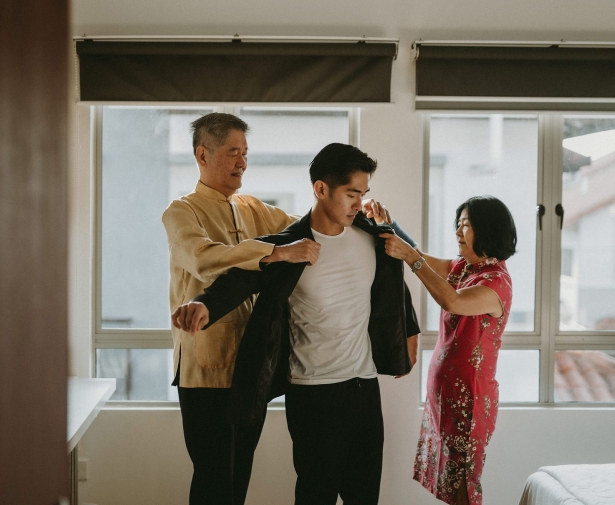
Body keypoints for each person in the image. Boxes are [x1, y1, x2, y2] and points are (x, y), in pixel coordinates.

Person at [162, 114, 396, 505]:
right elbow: (203, 258)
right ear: (203, 154)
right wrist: (275, 252)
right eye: (233, 152)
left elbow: (312, 225)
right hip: (205, 368)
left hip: (251, 367)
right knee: (214, 478)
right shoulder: (181, 211)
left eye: (246, 152)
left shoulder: (252, 207)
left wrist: (358, 207)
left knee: (238, 479)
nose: (242, 161)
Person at [379, 195, 516, 505]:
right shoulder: (464, 268)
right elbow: (424, 259)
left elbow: (452, 301)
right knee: (448, 485)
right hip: (447, 398)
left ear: (487, 231)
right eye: (457, 225)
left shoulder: (496, 283)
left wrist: (410, 258)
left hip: (470, 400)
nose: (457, 232)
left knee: (463, 488)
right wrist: (390, 227)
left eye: (465, 226)